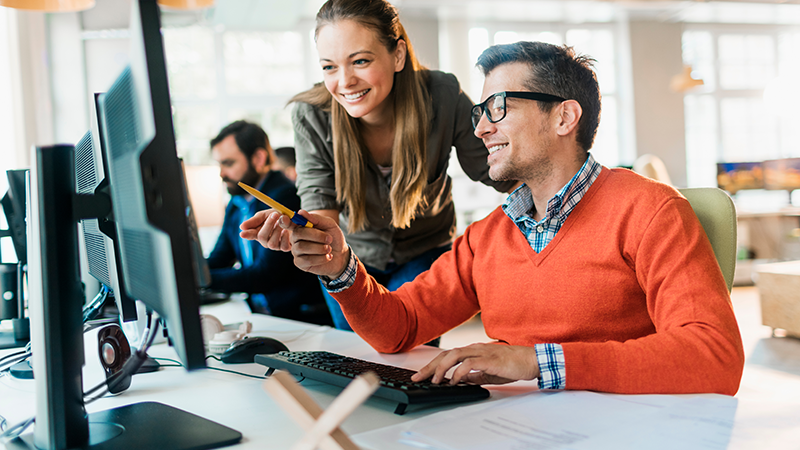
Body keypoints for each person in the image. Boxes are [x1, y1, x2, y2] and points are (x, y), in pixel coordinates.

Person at [251, 41, 745, 395]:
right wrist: (340, 267)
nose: (482, 127)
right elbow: (398, 328)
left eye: (499, 107)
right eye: (479, 112)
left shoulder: (650, 209)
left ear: (563, 117)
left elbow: (713, 355)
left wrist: (533, 360)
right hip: (518, 428)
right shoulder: (487, 238)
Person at [241, 0, 517, 333]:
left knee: (410, 362)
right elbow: (320, 208)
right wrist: (305, 236)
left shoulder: (442, 96)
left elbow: (499, 172)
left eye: (360, 61)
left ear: (398, 55)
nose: (345, 81)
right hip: (351, 258)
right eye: (329, 67)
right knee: (358, 359)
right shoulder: (311, 114)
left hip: (424, 252)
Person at [207, 120, 331, 326]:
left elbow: (264, 275)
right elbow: (220, 257)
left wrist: (199, 280)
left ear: (258, 158)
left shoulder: (284, 197)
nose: (221, 173)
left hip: (298, 319)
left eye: (228, 163)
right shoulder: (237, 202)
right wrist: (186, 272)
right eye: (219, 164)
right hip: (261, 314)